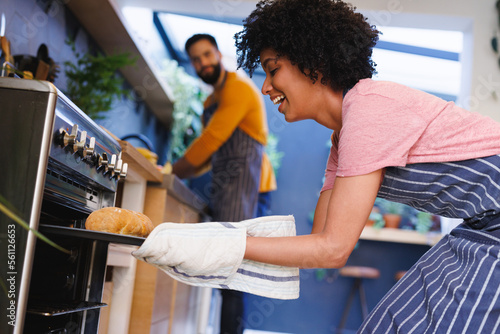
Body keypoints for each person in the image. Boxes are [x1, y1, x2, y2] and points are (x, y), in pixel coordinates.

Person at [231, 0, 500, 333]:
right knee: (390, 323)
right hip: (481, 226)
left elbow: (332, 249)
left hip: (494, 223)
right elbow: (319, 242)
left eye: (273, 70)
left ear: (312, 62)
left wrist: (228, 245)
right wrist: (231, 242)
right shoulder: (343, 139)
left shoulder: (368, 110)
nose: (265, 86)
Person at [172, 33, 275, 334]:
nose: (202, 62)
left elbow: (210, 142)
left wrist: (172, 169)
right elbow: (209, 155)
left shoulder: (238, 88)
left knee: (233, 276)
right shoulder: (211, 101)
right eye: (195, 59)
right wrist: (177, 170)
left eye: (206, 54)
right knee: (226, 275)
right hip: (229, 187)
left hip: (252, 188)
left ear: (217, 54)